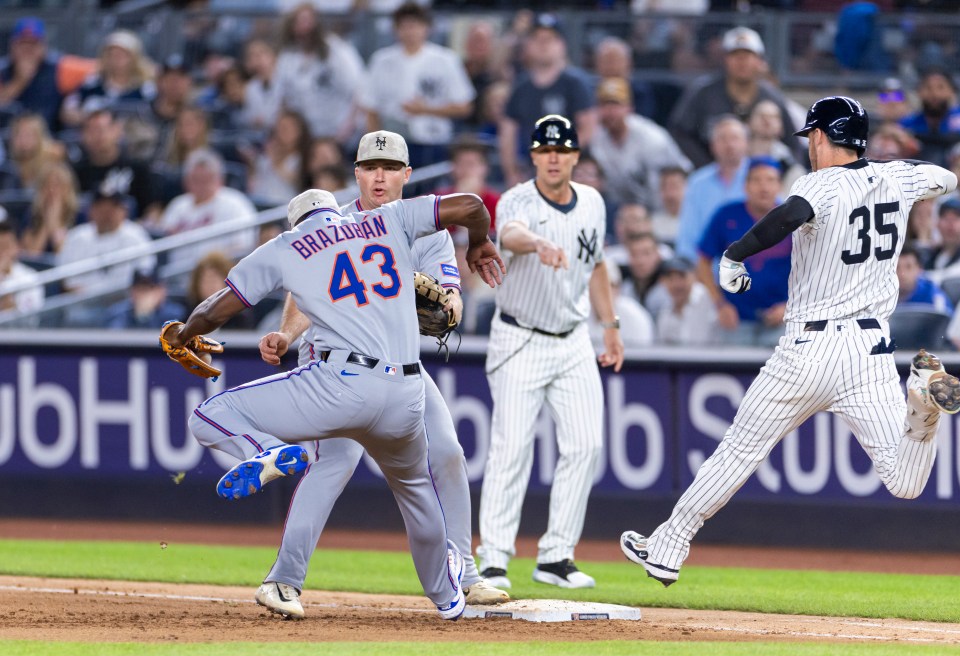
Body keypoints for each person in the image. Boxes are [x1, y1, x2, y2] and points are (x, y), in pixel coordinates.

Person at [621, 95, 960, 587]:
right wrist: (901, 169)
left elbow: (788, 216)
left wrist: (735, 254)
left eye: (812, 137)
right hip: (870, 351)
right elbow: (946, 177)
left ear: (823, 137)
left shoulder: (819, 183)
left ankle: (669, 547)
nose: (809, 146)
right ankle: (923, 412)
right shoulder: (901, 178)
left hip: (810, 347)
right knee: (905, 481)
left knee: (740, 450)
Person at [164, 179, 504, 622]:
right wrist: (479, 240)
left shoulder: (288, 245)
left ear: (296, 220)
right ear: (337, 211)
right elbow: (472, 205)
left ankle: (262, 450)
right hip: (405, 392)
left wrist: (184, 333)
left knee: (211, 414)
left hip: (339, 383)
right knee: (417, 491)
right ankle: (447, 597)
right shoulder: (387, 219)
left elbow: (217, 308)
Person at [251, 130, 510, 620]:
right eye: (371, 166)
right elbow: (301, 296)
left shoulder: (427, 231)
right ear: (356, 173)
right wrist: (285, 336)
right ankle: (283, 581)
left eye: (390, 168)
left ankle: (468, 576)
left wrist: (447, 311)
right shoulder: (333, 224)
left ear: (407, 176)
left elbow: (450, 300)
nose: (380, 176)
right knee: (336, 461)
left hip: (398, 371)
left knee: (449, 453)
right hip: (331, 365)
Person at [477, 114, 624, 591]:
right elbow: (511, 235)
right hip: (520, 338)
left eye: (562, 149)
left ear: (576, 156)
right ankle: (494, 559)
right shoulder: (519, 198)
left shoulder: (594, 202)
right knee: (511, 448)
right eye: (545, 150)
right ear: (535, 156)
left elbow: (597, 264)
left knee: (586, 446)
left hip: (573, 338)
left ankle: (557, 556)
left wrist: (611, 327)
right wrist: (538, 242)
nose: (554, 157)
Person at [667, 26, 799, 170]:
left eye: (748, 55)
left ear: (759, 60)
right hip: (712, 175)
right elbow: (679, 132)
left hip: (762, 177)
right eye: (735, 55)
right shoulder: (703, 93)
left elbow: (793, 143)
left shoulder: (771, 97)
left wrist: (778, 172)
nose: (742, 61)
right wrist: (706, 167)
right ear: (725, 59)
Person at [362, 2, 475, 168]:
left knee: (430, 191)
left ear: (426, 28)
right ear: (396, 29)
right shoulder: (382, 61)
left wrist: (425, 110)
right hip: (393, 143)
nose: (410, 32)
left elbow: (464, 106)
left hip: (433, 141)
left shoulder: (445, 60)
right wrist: (375, 147)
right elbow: (370, 108)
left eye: (414, 26)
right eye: (404, 26)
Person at [695, 157, 790, 348]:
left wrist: (790, 307)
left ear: (779, 185)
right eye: (757, 180)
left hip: (782, 319)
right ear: (745, 185)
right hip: (736, 319)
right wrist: (720, 304)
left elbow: (812, 271)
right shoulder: (727, 215)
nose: (763, 187)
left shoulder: (793, 218)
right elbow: (702, 262)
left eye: (770, 180)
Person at [498, 14, 595, 185]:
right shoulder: (520, 87)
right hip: (532, 169)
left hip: (573, 169)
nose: (543, 45)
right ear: (528, 45)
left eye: (549, 39)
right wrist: (511, 172)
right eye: (537, 39)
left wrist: (557, 159)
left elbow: (587, 128)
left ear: (562, 45)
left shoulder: (575, 83)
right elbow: (507, 133)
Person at [589, 77, 692, 213]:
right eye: (604, 105)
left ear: (629, 108)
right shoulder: (595, 138)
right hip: (621, 212)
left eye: (616, 105)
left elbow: (675, 179)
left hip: (662, 209)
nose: (610, 112)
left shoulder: (651, 138)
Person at [56, 188, 155, 327]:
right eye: (101, 207)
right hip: (83, 307)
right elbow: (66, 282)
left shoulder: (136, 236)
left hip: (124, 306)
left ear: (124, 211)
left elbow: (143, 278)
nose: (106, 212)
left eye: (113, 207)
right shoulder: (77, 237)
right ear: (91, 210)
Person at [273, 3, 365, 144]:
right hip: (304, 137)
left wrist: (348, 127)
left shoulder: (337, 51)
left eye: (307, 21)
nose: (304, 28)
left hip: (338, 133)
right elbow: (282, 98)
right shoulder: (287, 57)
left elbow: (359, 90)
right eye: (298, 22)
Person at [158, 148, 257, 267]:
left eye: (206, 180)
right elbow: (162, 242)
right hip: (174, 275)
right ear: (186, 181)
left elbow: (243, 247)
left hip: (218, 275)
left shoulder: (235, 203)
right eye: (195, 180)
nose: (200, 185)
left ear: (219, 180)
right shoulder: (178, 205)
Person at [674, 115, 750, 261]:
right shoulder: (697, 183)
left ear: (746, 143)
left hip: (753, 269)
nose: (729, 145)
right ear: (712, 145)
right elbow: (687, 236)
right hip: (705, 269)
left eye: (735, 138)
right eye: (723, 139)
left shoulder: (760, 177)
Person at [61, 30, 155, 129]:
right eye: (112, 55)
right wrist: (85, 118)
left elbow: (155, 114)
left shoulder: (145, 88)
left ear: (134, 58)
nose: (117, 60)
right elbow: (69, 107)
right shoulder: (92, 83)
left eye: (122, 55)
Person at [899, 67, 960, 167]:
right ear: (919, 92)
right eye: (928, 88)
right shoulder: (909, 121)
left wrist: (917, 137)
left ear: (951, 91)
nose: (934, 94)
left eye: (941, 87)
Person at [0, 18, 64, 133]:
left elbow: (96, 68)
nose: (27, 49)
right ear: (12, 46)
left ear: (44, 46)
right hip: (6, 141)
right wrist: (20, 81)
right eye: (22, 43)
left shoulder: (59, 68)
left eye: (33, 44)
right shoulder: (3, 69)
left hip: (48, 142)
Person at [655, 256, 719, 346]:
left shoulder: (707, 298)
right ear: (663, 281)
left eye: (682, 276)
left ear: (695, 276)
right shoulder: (665, 312)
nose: (676, 284)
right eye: (670, 278)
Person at [923, 197, 960, 285]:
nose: (950, 225)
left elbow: (954, 276)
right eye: (945, 218)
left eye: (956, 219)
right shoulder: (933, 255)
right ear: (937, 224)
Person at [107, 268, 186, 329]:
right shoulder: (117, 313)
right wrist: (140, 316)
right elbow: (114, 338)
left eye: (150, 288)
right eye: (140, 289)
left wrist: (147, 316)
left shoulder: (176, 313)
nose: (145, 294)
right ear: (132, 291)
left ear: (162, 290)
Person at [0, 219, 44, 320]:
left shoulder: (30, 277)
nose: (1, 252)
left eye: (6, 246)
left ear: (17, 248)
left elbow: (30, 321)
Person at [896, 246, 953, 314]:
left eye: (909, 267)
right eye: (897, 267)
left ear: (920, 269)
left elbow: (947, 319)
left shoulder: (934, 295)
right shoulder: (881, 293)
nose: (902, 273)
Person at [651, 166, 687, 246]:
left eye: (674, 187)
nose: (670, 194)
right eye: (664, 187)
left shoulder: (700, 222)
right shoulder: (651, 225)